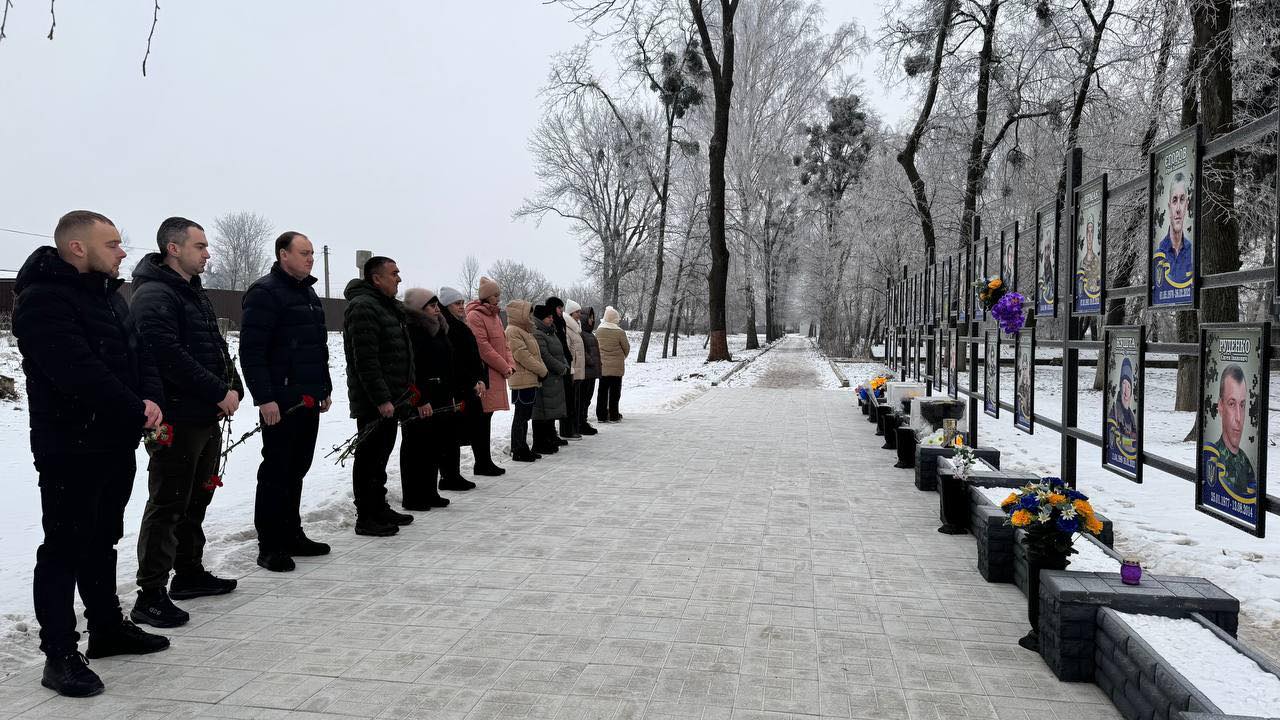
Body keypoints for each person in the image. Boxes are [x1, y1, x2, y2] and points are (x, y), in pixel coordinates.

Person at [14, 211, 170, 698]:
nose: (122, 252)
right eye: (113, 244)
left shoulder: (109, 296)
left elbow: (140, 354)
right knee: (64, 547)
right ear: (77, 248)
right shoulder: (43, 299)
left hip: (115, 441)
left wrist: (151, 398)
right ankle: (59, 654)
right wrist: (135, 407)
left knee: (103, 539)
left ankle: (106, 627)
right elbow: (77, 371)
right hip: (70, 447)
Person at [128, 218, 243, 629]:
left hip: (204, 415)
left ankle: (189, 572)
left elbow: (215, 346)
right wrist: (217, 390)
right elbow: (167, 355)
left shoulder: (191, 291)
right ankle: (150, 595)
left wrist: (233, 386)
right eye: (200, 246)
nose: (208, 253)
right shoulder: (154, 294)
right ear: (173, 249)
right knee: (168, 503)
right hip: (175, 418)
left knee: (197, 498)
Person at [240, 231, 334, 573]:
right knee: (276, 471)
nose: (310, 258)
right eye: (304, 252)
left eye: (312, 253)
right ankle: (270, 545)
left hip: (307, 398)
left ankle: (292, 534)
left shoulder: (307, 292)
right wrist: (265, 398)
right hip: (280, 401)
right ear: (283, 254)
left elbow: (317, 347)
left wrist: (324, 387)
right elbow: (252, 351)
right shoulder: (265, 293)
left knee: (297, 468)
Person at [344, 256, 417, 537]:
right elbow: (366, 359)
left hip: (393, 397)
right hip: (374, 401)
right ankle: (366, 515)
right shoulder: (364, 307)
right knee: (369, 458)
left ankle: (379, 507)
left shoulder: (387, 306)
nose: (399, 278)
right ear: (376, 278)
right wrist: (381, 398)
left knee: (380, 457)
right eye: (394, 273)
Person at [400, 288, 457, 510]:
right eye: (431, 306)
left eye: (437, 305)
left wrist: (450, 393)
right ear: (419, 309)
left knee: (434, 445)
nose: (437, 310)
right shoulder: (412, 331)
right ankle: (413, 495)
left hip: (441, 393)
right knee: (416, 447)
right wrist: (420, 398)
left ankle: (429, 491)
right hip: (422, 395)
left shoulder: (438, 329)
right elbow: (413, 369)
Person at [439, 286, 499, 476]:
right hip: (459, 386)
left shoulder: (461, 324)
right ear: (446, 305)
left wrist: (480, 378)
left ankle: (478, 464)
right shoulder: (447, 327)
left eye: (462, 303)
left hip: (472, 384)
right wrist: (473, 380)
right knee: (453, 432)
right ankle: (450, 475)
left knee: (475, 426)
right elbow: (456, 360)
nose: (461, 306)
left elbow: (474, 356)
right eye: (456, 303)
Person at [466, 277, 515, 474]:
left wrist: (510, 364)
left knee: (487, 417)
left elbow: (505, 344)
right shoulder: (475, 316)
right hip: (486, 374)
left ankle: (485, 461)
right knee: (481, 419)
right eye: (495, 295)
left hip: (497, 373)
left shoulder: (495, 316)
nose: (498, 298)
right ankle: (482, 462)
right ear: (486, 296)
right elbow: (483, 348)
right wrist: (504, 366)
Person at [1202, 363, 1255, 500]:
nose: (1238, 417)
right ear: (1220, 406)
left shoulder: (1245, 462)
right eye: (1232, 404)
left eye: (1242, 405)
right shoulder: (1213, 457)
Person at [505, 300, 546, 462]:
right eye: (528, 313)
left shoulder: (524, 331)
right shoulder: (513, 331)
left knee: (525, 415)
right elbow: (523, 355)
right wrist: (541, 370)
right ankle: (518, 449)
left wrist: (541, 370)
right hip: (522, 380)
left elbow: (535, 355)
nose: (531, 317)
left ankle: (523, 447)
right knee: (521, 416)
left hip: (529, 379)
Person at [532, 304, 570, 454]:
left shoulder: (551, 332)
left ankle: (550, 437)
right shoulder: (538, 333)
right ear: (541, 318)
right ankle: (541, 442)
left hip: (556, 377)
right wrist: (561, 368)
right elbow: (545, 356)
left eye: (551, 316)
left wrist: (565, 364)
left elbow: (560, 352)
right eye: (548, 317)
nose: (551, 319)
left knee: (552, 409)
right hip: (547, 377)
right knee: (543, 411)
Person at [1153, 173, 1193, 297]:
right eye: (1175, 200)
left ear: (1186, 205)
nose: (1178, 209)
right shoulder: (1158, 253)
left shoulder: (1192, 252)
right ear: (1169, 207)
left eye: (1182, 199)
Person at [545, 296, 576, 443]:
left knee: (567, 398)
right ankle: (560, 431)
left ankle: (564, 429)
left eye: (562, 308)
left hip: (565, 362)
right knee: (557, 401)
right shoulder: (552, 325)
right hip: (557, 366)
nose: (560, 311)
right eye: (558, 308)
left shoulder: (560, 322)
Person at [595, 306, 630, 423]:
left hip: (603, 366)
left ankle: (601, 415)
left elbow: (596, 346)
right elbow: (626, 348)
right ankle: (614, 415)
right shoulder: (620, 332)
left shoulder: (599, 331)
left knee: (602, 391)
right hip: (616, 368)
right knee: (615, 392)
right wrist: (621, 357)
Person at [563, 300, 587, 438]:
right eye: (577, 312)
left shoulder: (576, 328)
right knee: (571, 401)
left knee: (576, 401)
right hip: (572, 370)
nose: (579, 314)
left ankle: (575, 427)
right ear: (571, 312)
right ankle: (568, 430)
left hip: (578, 370)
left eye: (580, 312)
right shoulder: (568, 328)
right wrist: (571, 369)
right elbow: (568, 351)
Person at [577, 306, 601, 436]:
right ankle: (580, 422)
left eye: (593, 318)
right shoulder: (581, 334)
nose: (592, 320)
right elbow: (582, 351)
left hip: (592, 372)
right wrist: (591, 361)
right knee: (583, 398)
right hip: (586, 372)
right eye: (590, 318)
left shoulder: (591, 334)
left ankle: (583, 420)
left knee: (588, 398)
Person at [1077, 220, 1100, 303]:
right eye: (1088, 231)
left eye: (1092, 231)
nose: (1090, 235)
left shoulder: (1097, 261)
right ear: (1086, 235)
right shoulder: (1081, 262)